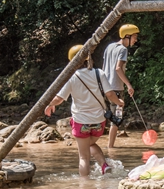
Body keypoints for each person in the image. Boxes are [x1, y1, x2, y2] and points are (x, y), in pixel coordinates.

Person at [45, 45, 114, 177]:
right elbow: (110, 94)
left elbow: (60, 98)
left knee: (83, 157)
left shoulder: (71, 77)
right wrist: (119, 102)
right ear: (88, 59)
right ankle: (104, 165)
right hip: (99, 121)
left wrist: (50, 104)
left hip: (81, 122)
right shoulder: (99, 73)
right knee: (90, 143)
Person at [101, 24, 139, 148]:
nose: (136, 40)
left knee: (104, 116)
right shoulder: (123, 49)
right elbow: (118, 68)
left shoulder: (109, 47)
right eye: (134, 37)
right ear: (126, 36)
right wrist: (129, 85)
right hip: (116, 88)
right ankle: (110, 148)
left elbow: (103, 68)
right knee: (116, 120)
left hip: (103, 87)